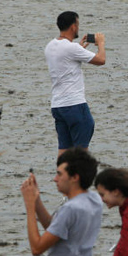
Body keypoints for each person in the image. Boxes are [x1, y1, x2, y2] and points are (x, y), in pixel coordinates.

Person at [20, 148, 102, 256]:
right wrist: (37, 201)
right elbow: (56, 229)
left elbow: (37, 248)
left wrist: (30, 206)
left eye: (59, 174)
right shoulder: (94, 200)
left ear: (74, 177)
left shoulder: (70, 209)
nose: (55, 179)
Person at [44, 11, 106, 156]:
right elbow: (101, 60)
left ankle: (60, 176)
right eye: (77, 24)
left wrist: (80, 49)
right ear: (73, 27)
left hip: (58, 105)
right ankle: (80, 178)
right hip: (75, 105)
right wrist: (101, 43)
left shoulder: (51, 46)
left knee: (64, 149)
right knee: (80, 153)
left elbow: (66, 59)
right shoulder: (72, 48)